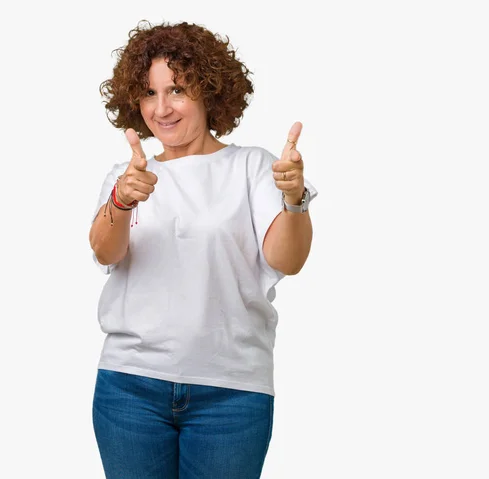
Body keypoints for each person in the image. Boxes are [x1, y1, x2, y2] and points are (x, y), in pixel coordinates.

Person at [88, 20, 318, 478]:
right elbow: (104, 251)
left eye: (177, 89)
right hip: (130, 387)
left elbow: (285, 260)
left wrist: (294, 200)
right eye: (150, 93)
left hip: (231, 393)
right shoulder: (128, 174)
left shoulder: (252, 166)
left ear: (209, 91)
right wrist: (122, 197)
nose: (162, 108)